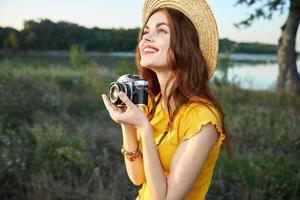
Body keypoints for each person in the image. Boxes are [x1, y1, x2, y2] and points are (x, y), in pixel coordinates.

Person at [102, 0, 232, 199]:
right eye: (145, 32)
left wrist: (144, 128)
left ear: (185, 44)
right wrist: (126, 124)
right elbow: (137, 177)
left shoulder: (202, 118)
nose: (147, 38)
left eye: (161, 31)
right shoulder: (154, 103)